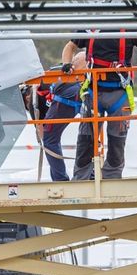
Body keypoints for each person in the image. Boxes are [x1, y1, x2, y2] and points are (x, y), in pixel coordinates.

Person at [61, 30, 137, 180]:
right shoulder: (90, 29)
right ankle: (81, 179)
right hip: (93, 92)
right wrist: (66, 64)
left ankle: (112, 178)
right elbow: (70, 46)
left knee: (117, 140)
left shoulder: (128, 29)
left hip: (119, 92)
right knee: (86, 139)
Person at [39, 51, 89, 182]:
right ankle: (89, 174)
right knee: (90, 137)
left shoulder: (81, 54)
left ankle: (60, 179)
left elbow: (43, 130)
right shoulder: (90, 53)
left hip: (70, 94)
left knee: (49, 139)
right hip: (87, 90)